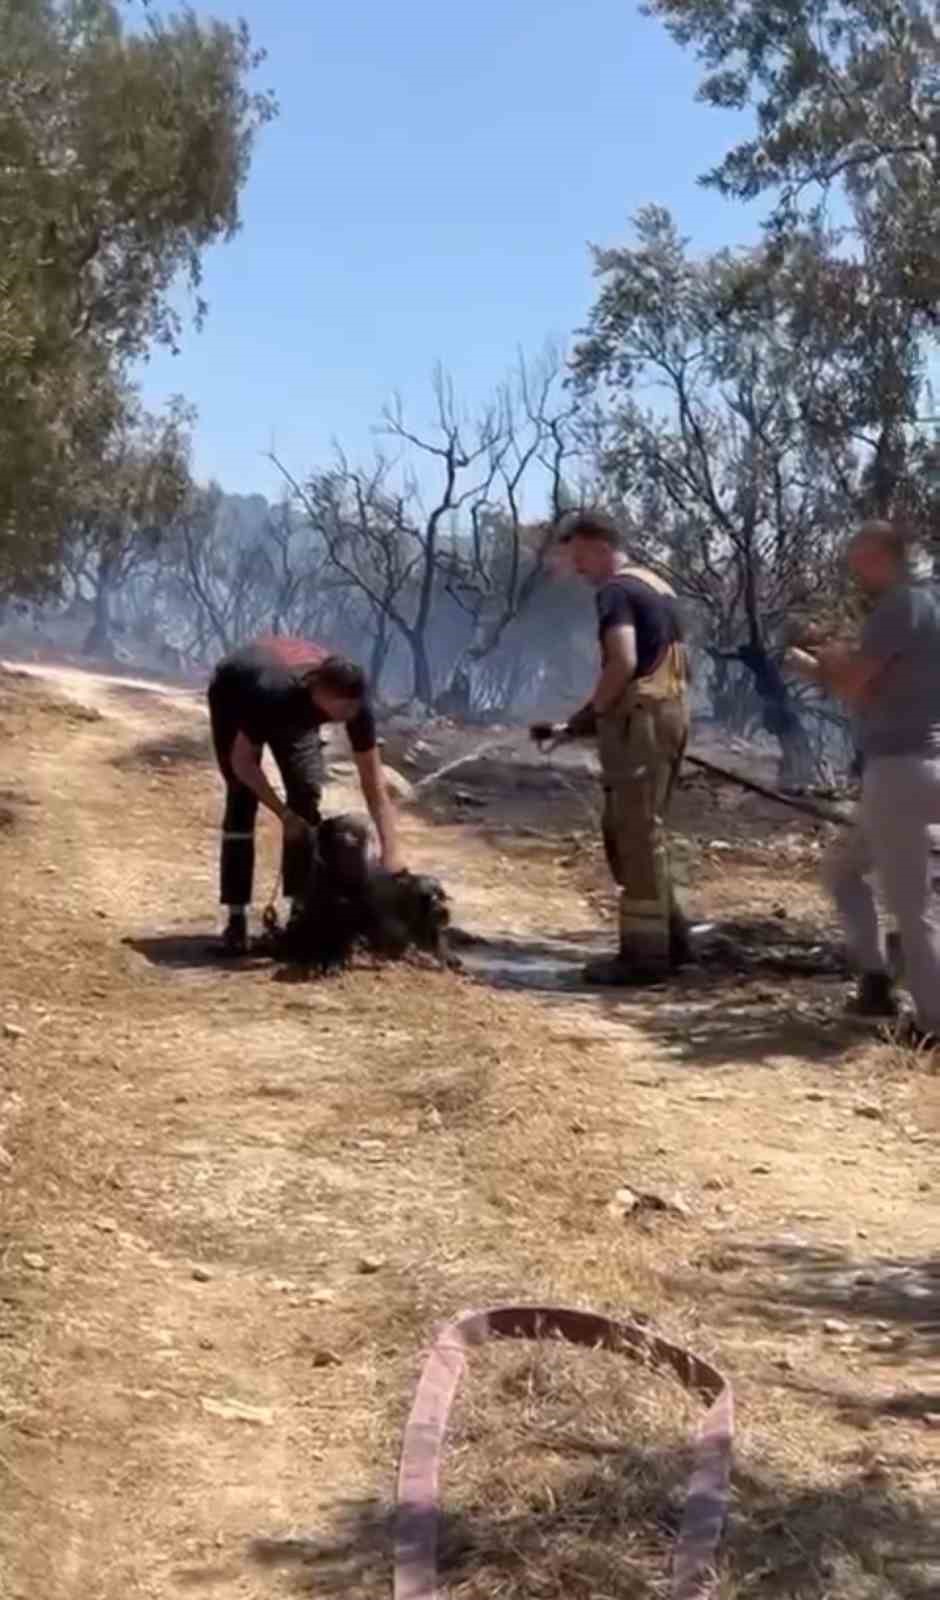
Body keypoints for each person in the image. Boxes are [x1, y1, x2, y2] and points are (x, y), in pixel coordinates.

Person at [787, 521, 940, 1041]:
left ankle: (933, 1025)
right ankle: (874, 981)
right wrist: (828, 666)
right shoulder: (924, 608)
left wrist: (820, 663)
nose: (853, 564)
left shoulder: (902, 605)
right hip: (912, 768)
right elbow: (874, 689)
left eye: (860, 554)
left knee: (911, 908)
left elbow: (854, 681)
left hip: (901, 771)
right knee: (842, 872)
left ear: (885, 555)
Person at [532, 509, 691, 985]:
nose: (578, 569)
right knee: (649, 830)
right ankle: (675, 939)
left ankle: (643, 958)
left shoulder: (616, 591)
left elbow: (621, 661)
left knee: (632, 834)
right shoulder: (659, 585)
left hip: (640, 723)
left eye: (580, 556)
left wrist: (590, 714)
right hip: (670, 715)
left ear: (602, 547)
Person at [207, 634, 402, 954]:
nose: (352, 713)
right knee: (241, 797)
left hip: (292, 703)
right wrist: (282, 814)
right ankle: (236, 918)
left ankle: (300, 911)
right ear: (322, 694)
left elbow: (374, 784)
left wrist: (392, 853)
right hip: (235, 689)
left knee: (306, 794)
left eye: (356, 706)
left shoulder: (353, 705)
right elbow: (242, 763)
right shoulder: (272, 696)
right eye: (346, 706)